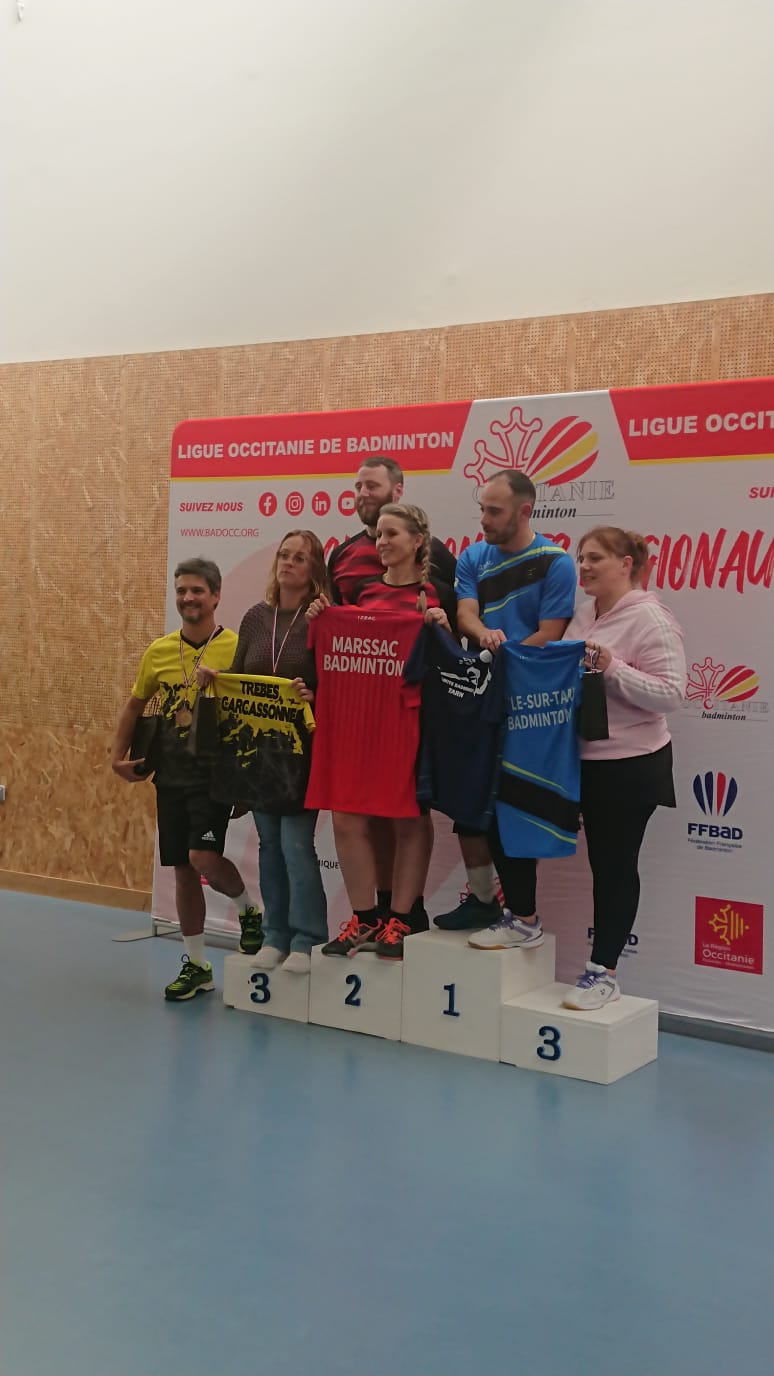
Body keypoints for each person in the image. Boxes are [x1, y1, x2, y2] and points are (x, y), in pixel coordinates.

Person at [435, 470, 578, 946]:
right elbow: (466, 615)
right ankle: (489, 903)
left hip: (528, 705)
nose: (484, 519)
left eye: (494, 511)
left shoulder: (556, 562)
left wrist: (505, 659)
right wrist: (485, 638)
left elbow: (550, 634)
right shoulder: (473, 556)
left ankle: (524, 918)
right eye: (482, 508)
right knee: (473, 805)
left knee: (513, 807)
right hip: (478, 696)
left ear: (524, 511)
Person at [111, 559, 262, 1001]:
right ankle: (197, 965)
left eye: (197, 590)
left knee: (202, 857)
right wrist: (117, 756)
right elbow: (134, 705)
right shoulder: (159, 651)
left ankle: (248, 910)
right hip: (171, 774)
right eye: (181, 591)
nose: (188, 598)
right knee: (182, 869)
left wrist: (247, 780)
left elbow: (254, 713)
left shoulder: (236, 647)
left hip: (214, 776)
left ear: (215, 596)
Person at [310, 504, 451, 960]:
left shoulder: (437, 595)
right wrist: (322, 617)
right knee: (346, 818)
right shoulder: (361, 593)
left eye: (392, 534)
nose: (382, 542)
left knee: (409, 818)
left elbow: (455, 665)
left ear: (417, 541)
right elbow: (341, 650)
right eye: (379, 535)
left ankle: (402, 919)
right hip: (357, 724)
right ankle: (365, 917)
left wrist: (442, 630)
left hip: (410, 723)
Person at [560, 527, 685, 1009]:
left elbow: (671, 694)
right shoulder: (584, 613)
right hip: (582, 760)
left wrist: (613, 667)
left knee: (614, 867)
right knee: (598, 863)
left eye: (595, 558)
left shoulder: (651, 619)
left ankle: (604, 973)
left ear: (626, 564)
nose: (584, 566)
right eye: (581, 557)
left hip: (631, 766)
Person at [197, 532, 329, 975]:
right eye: (284, 555)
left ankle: (307, 938)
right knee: (269, 846)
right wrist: (216, 678)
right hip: (258, 754)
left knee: (296, 846)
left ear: (315, 570)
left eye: (300, 558)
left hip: (300, 752)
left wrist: (315, 694)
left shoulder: (320, 619)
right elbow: (239, 675)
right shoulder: (256, 617)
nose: (289, 562)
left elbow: (335, 683)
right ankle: (275, 935)